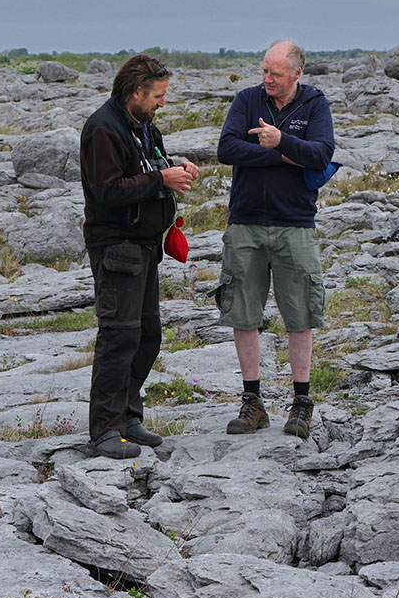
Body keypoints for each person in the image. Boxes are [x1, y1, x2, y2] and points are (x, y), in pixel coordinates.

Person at [80, 54, 200, 458]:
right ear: (136, 92)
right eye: (158, 96)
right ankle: (105, 430)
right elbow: (107, 191)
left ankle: (128, 416)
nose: (162, 103)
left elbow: (147, 169)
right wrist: (159, 179)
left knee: (147, 336)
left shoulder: (143, 126)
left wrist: (174, 168)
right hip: (116, 247)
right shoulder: (103, 129)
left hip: (146, 247)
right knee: (119, 336)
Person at [215, 40, 335, 439]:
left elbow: (322, 154)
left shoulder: (315, 105)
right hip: (245, 222)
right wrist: (281, 155)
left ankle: (301, 403)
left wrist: (281, 142)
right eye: (265, 71)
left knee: (300, 315)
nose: (267, 79)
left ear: (296, 74)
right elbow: (226, 148)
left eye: (276, 74)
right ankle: (253, 402)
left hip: (295, 223)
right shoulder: (247, 100)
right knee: (242, 314)